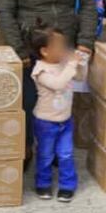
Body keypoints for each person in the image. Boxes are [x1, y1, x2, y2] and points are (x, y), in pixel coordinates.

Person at [0, 0, 97, 164]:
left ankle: (52, 151)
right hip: (33, 50)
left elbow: (87, 5)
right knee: (32, 102)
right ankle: (28, 147)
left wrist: (85, 42)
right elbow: (5, 11)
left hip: (65, 48)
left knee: (59, 102)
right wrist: (20, 49)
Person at [29, 24, 82, 202]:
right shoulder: (40, 71)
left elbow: (81, 78)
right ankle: (43, 183)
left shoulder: (64, 65)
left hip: (65, 120)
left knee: (66, 154)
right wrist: (72, 64)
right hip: (45, 122)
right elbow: (58, 84)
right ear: (44, 51)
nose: (64, 50)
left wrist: (80, 63)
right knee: (45, 155)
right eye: (59, 46)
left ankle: (67, 185)